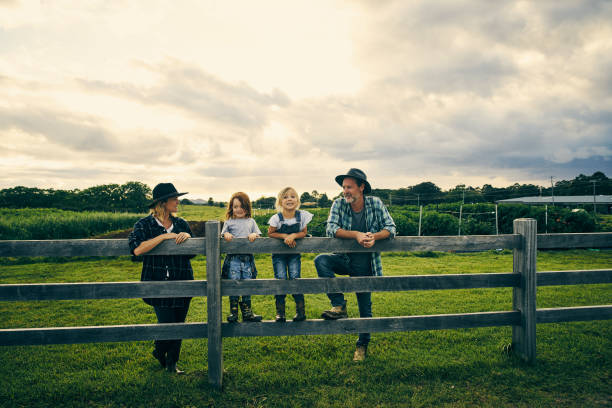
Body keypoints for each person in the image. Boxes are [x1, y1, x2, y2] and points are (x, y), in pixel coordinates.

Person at [314, 168, 396, 362]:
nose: (345, 191)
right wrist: (356, 234)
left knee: (365, 309)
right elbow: (331, 229)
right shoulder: (339, 204)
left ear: (361, 187)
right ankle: (339, 305)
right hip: (343, 258)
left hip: (366, 265)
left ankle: (362, 345)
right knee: (321, 260)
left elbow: (391, 228)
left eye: (349, 187)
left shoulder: (375, 203)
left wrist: (373, 237)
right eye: (344, 187)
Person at [128, 183, 194, 374]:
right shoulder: (143, 224)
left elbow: (192, 253)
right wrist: (164, 238)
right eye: (174, 199)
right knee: (167, 324)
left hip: (182, 281)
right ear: (163, 203)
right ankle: (159, 350)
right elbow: (137, 249)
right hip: (157, 284)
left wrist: (187, 236)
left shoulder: (181, 223)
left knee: (179, 325)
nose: (177, 202)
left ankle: (172, 364)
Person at [267, 187, 313, 322]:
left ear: (297, 200)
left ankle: (300, 311)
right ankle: (280, 312)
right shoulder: (277, 218)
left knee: (295, 278)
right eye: (285, 197)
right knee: (280, 278)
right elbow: (270, 233)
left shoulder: (301, 216)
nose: (289, 199)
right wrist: (284, 236)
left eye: (292, 196)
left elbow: (303, 232)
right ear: (280, 202)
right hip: (279, 255)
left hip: (294, 254)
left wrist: (293, 235)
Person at [221, 192, 263, 323]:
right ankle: (233, 313)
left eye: (241, 206)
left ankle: (247, 313)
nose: (238, 209)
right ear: (231, 208)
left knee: (247, 284)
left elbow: (258, 234)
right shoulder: (229, 222)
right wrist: (226, 234)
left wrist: (254, 235)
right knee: (234, 284)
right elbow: (223, 235)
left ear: (247, 207)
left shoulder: (251, 221)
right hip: (233, 259)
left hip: (247, 260)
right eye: (235, 207)